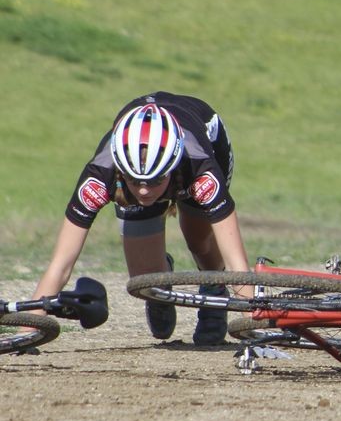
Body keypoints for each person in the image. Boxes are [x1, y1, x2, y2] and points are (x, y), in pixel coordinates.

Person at [33, 93, 250, 345]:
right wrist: (28, 331)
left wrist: (254, 330)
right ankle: (161, 280)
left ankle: (213, 290)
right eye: (135, 181)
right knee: (146, 280)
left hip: (203, 134)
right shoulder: (100, 174)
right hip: (152, 168)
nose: (144, 191)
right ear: (121, 172)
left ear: (172, 168)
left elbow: (238, 265)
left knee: (199, 241)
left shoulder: (200, 169)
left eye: (156, 180)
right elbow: (61, 263)